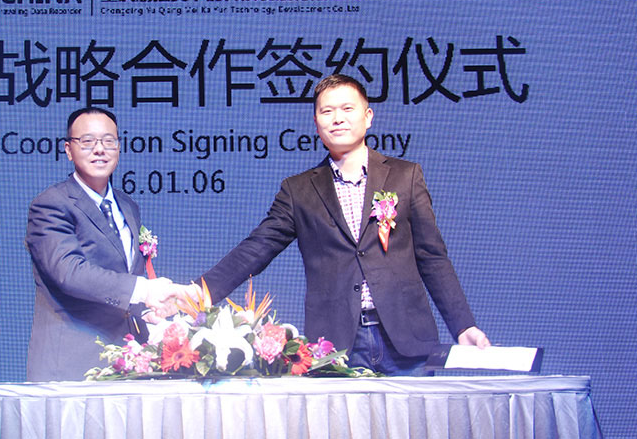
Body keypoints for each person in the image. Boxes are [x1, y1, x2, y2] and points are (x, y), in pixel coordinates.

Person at [199, 74, 489, 375]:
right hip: (335, 346)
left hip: (407, 341)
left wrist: (463, 325)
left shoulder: (406, 176)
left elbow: (432, 257)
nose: (337, 118)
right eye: (327, 111)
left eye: (347, 109)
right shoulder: (298, 190)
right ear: (316, 123)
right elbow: (257, 248)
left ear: (368, 116)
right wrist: (200, 292)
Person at [25, 107, 190, 381]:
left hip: (126, 360)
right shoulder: (51, 204)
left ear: (119, 148)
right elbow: (69, 272)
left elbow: (125, 279)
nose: (99, 149)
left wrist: (152, 309)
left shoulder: (128, 206)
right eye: (87, 141)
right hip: (71, 365)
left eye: (108, 141)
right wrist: (145, 290)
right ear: (68, 150)